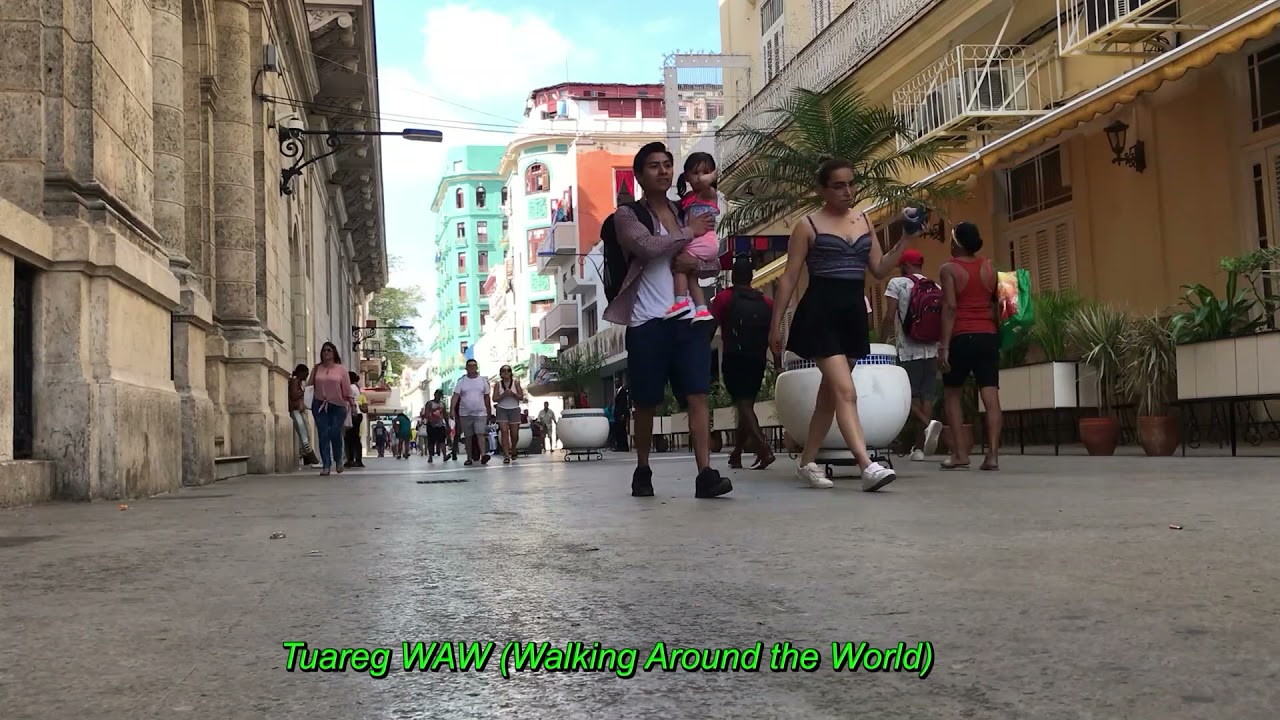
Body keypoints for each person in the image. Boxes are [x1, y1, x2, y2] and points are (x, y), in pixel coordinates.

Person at [768, 154, 920, 491]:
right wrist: (775, 324)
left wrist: (906, 238)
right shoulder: (807, 226)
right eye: (838, 186)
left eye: (851, 184)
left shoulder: (864, 220)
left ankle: (807, 463)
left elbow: (879, 269)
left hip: (852, 314)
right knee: (846, 391)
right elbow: (790, 277)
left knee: (829, 395)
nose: (847, 191)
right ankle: (867, 465)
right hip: (820, 313)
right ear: (822, 190)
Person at [601, 141, 731, 499]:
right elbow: (647, 247)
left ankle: (705, 474)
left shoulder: (684, 208)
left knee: (698, 394)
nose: (663, 171)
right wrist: (688, 232)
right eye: (654, 166)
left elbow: (711, 259)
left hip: (688, 318)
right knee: (646, 402)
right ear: (639, 175)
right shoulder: (628, 216)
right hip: (646, 322)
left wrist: (696, 261)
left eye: (668, 165)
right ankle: (643, 468)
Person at [938, 221, 1003, 471]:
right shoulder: (989, 267)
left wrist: (944, 346)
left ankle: (960, 454)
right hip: (988, 335)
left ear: (955, 243)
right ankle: (993, 454)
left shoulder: (949, 270)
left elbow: (950, 307)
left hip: (962, 337)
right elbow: (996, 304)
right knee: (991, 395)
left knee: (952, 394)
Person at [710, 256, 776, 470]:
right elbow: (774, 335)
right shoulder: (767, 302)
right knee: (746, 405)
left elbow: (710, 328)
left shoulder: (723, 298)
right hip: (758, 359)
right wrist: (777, 362)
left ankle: (763, 449)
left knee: (744, 404)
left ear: (733, 276)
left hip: (734, 357)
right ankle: (737, 454)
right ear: (751, 276)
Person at [881, 248, 944, 461]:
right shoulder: (935, 286)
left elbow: (889, 317)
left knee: (908, 397)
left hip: (908, 350)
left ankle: (928, 425)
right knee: (926, 396)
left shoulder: (897, 284)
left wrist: (882, 342)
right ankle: (919, 448)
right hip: (931, 349)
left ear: (906, 265)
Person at [668, 152, 721, 323]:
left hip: (703, 240)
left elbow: (705, 184)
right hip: (702, 240)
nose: (700, 177)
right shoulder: (689, 198)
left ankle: (680, 301)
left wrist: (711, 177)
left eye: (705, 172)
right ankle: (701, 309)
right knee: (691, 275)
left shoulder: (708, 193)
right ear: (686, 176)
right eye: (695, 173)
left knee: (680, 265)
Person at [306, 342, 352, 476]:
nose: (326, 352)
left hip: (338, 405)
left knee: (335, 433)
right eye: (324, 350)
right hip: (319, 405)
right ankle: (326, 465)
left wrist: (351, 404)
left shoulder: (341, 369)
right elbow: (309, 385)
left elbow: (347, 389)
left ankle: (338, 459)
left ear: (334, 352)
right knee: (323, 434)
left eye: (329, 350)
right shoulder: (317, 368)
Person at [451, 359, 492, 466]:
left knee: (480, 434)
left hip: (480, 413)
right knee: (468, 436)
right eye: (470, 365)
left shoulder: (483, 381)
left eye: (474, 365)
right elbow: (455, 396)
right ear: (466, 368)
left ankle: (483, 455)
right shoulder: (462, 382)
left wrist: (489, 410)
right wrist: (452, 409)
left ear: (477, 367)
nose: (472, 367)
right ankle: (469, 457)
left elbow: (487, 397)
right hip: (465, 413)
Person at [492, 364, 526, 464]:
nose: (506, 372)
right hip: (502, 409)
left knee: (514, 434)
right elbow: (494, 399)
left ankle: (513, 448)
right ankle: (506, 455)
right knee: (504, 431)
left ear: (511, 373)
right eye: (504, 371)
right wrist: (503, 395)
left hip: (514, 409)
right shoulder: (498, 384)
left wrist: (513, 394)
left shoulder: (516, 383)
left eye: (508, 370)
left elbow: (521, 397)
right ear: (501, 374)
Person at [288, 364, 320, 467]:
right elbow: (294, 395)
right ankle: (310, 454)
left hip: (299, 410)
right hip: (295, 410)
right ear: (300, 373)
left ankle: (306, 455)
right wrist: (304, 392)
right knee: (303, 433)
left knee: (306, 431)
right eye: (305, 374)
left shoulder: (298, 382)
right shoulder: (295, 381)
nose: (306, 376)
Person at [344, 372, 367, 468]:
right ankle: (355, 459)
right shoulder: (355, 388)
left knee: (351, 438)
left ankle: (353, 459)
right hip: (356, 414)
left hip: (353, 414)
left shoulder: (351, 388)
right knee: (354, 438)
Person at [424, 389, 449, 462]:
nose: (438, 396)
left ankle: (444, 455)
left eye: (440, 395)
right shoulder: (430, 403)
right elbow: (427, 413)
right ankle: (430, 456)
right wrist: (431, 420)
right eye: (437, 394)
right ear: (435, 395)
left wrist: (447, 424)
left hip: (440, 425)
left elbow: (445, 414)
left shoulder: (442, 404)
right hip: (431, 425)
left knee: (442, 440)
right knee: (431, 442)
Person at [611, 380, 631, 452]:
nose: (615, 384)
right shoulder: (618, 391)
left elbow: (623, 404)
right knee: (618, 430)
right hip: (617, 414)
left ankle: (623, 446)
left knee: (622, 430)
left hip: (621, 414)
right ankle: (619, 445)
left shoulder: (622, 392)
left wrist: (622, 414)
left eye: (616, 382)